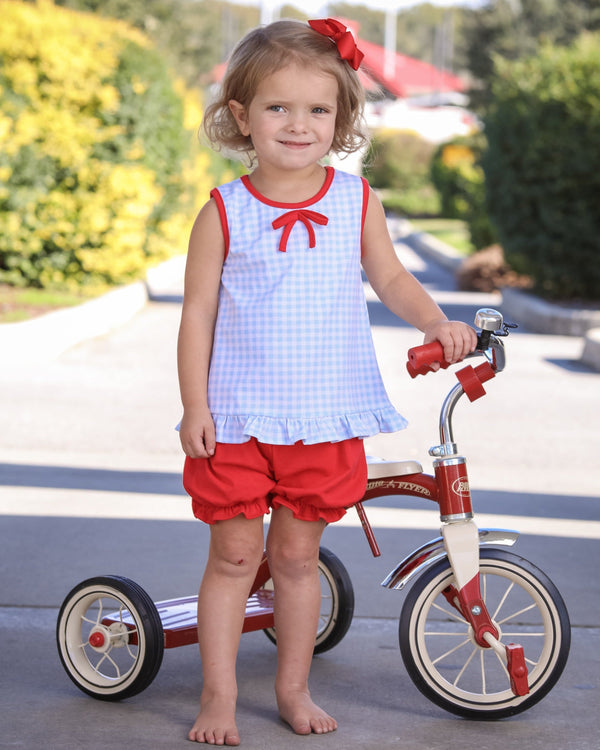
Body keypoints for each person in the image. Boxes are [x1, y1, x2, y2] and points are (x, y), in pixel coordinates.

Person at [177, 17, 477, 746]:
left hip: (324, 419)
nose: (299, 124)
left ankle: (291, 688)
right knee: (235, 556)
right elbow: (197, 314)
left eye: (318, 109)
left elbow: (392, 277)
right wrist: (193, 405)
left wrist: (436, 323)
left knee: (297, 558)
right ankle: (218, 695)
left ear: (340, 118)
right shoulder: (225, 212)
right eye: (278, 107)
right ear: (242, 116)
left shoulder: (354, 201)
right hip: (240, 418)